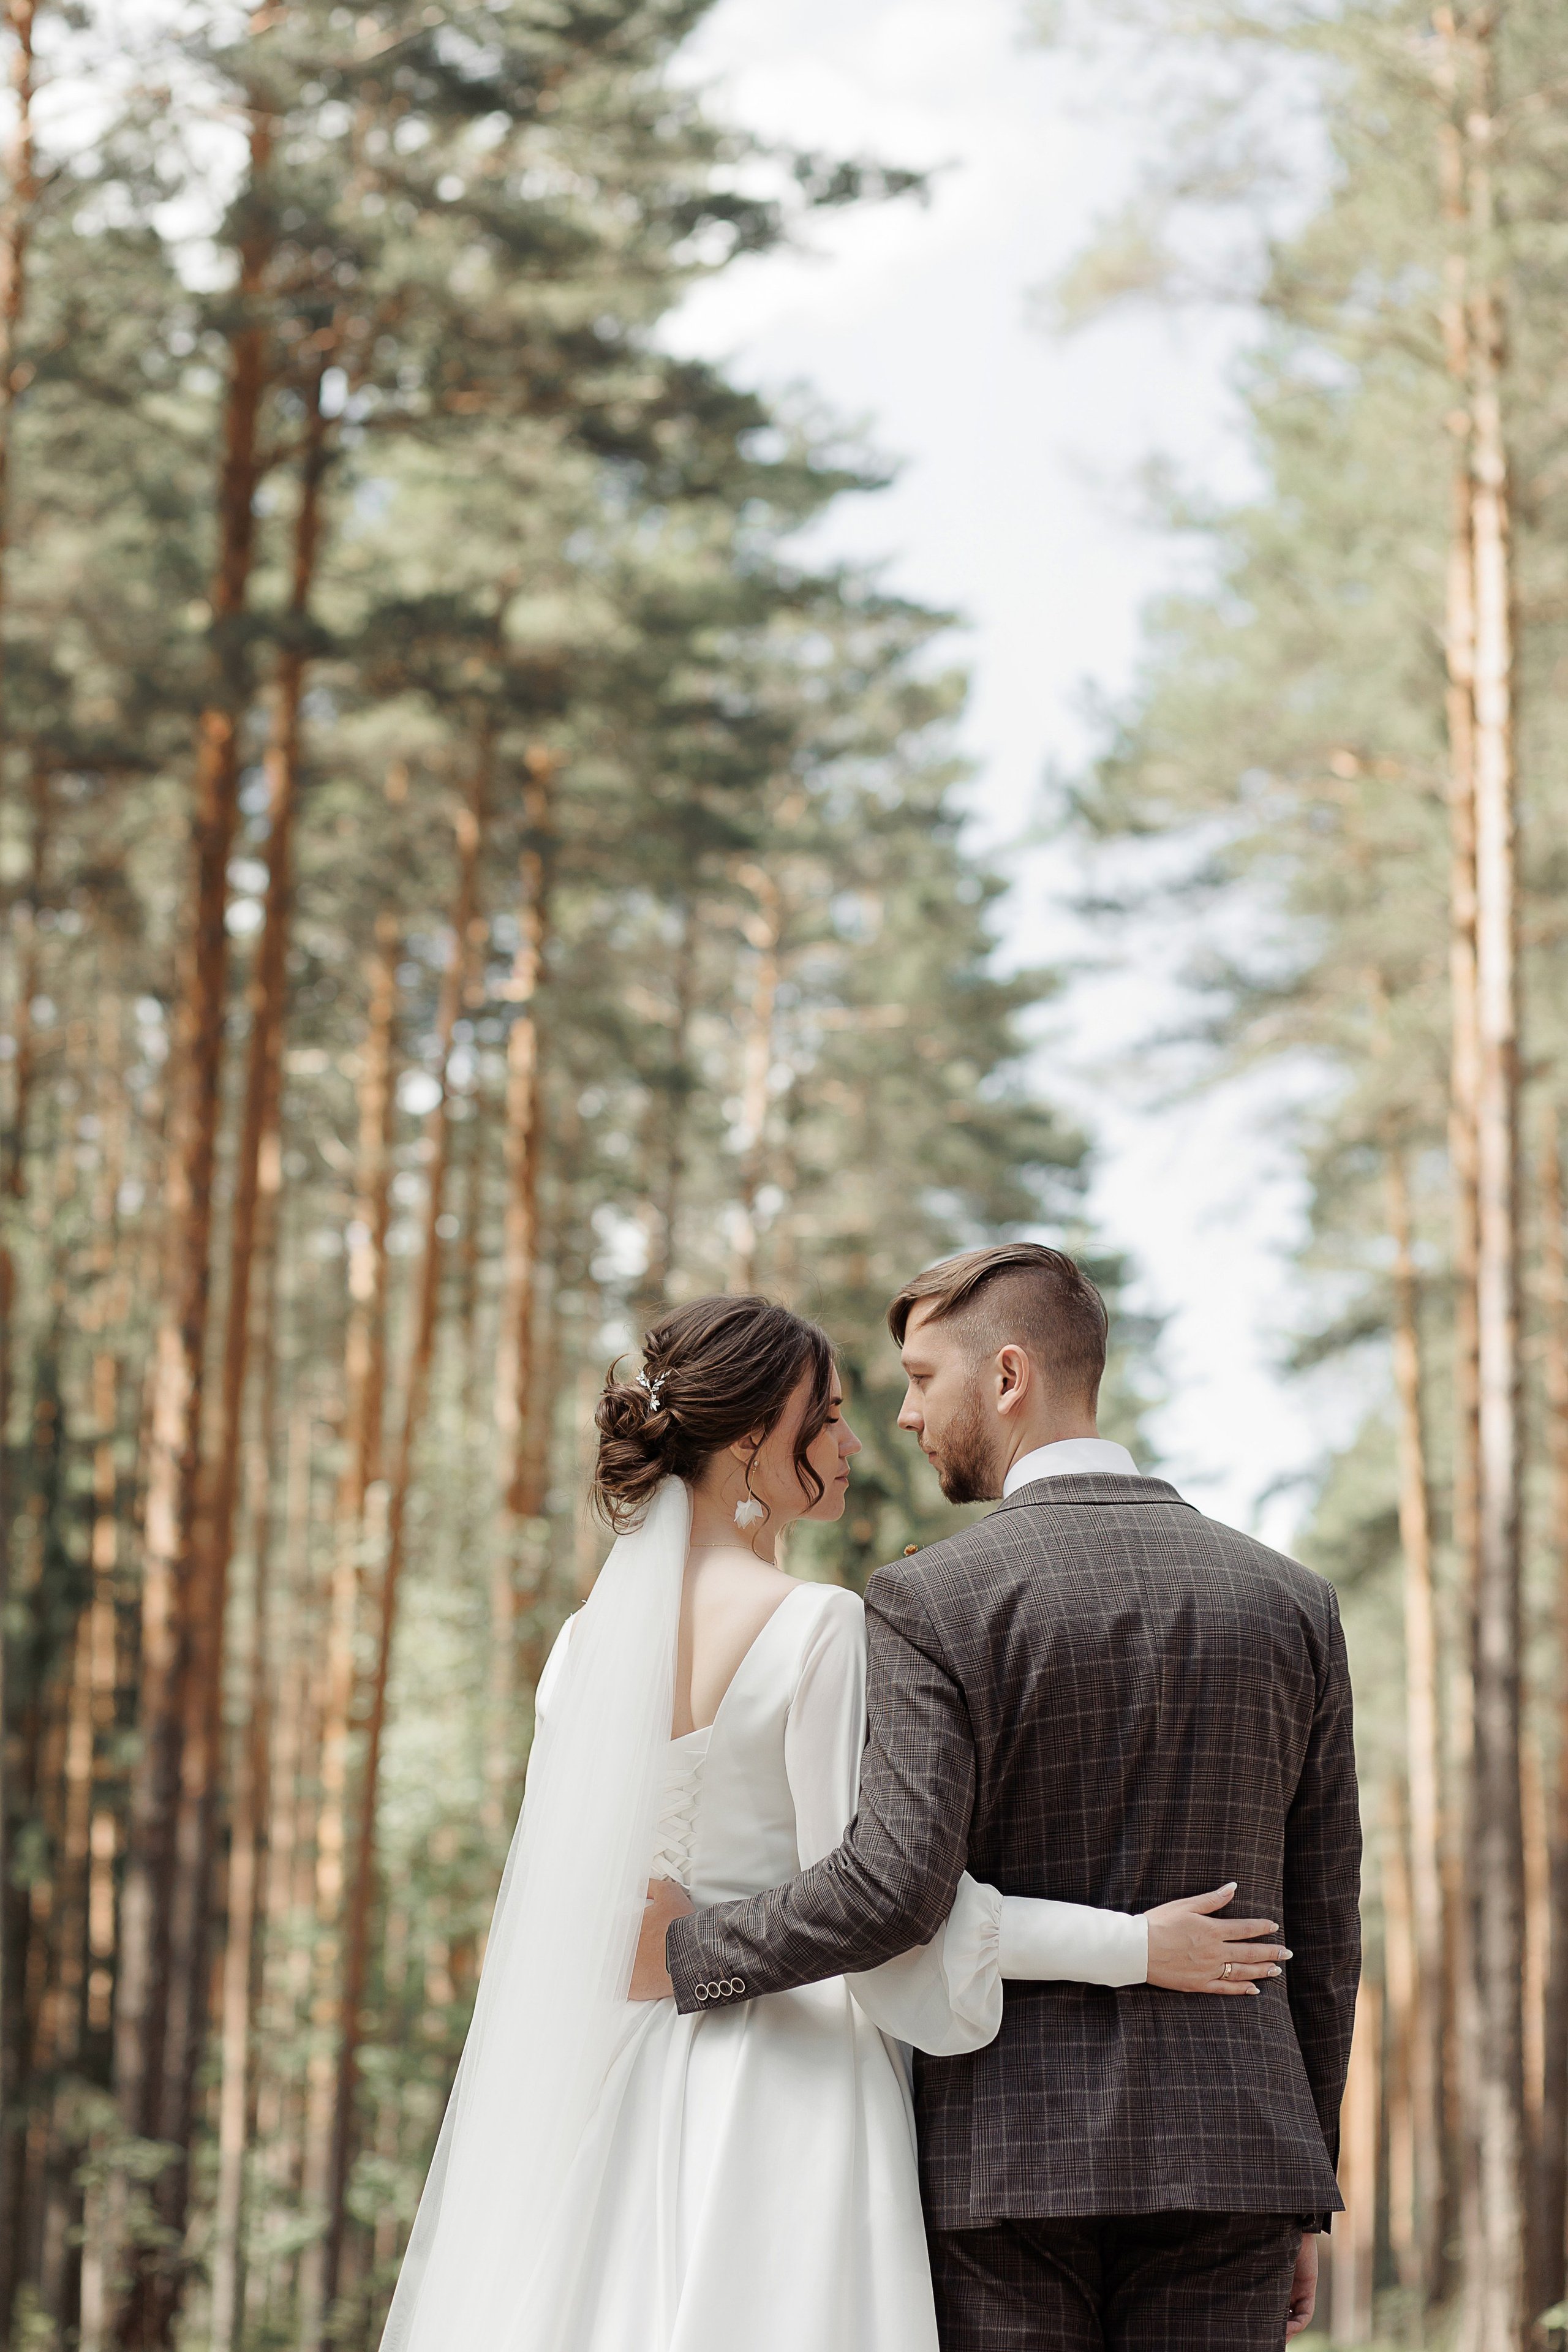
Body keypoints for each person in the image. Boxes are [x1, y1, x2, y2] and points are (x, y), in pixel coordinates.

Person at [380, 1291, 1288, 2352]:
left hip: (614, 2083)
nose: (856, 1443)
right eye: (830, 1418)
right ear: (753, 1439)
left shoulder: (582, 1649)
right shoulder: (814, 1625)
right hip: (785, 2087)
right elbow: (882, 1907)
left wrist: (677, 1949)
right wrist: (1129, 1945)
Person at [638, 1247, 1362, 2351]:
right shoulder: (1292, 1601)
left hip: (1002, 2162)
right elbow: (1326, 1923)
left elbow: (894, 1889)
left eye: (923, 1379)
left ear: (1009, 1376)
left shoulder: (931, 1599)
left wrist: (692, 1952)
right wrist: (1307, 2180)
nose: (907, 1417)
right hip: (1238, 2154)